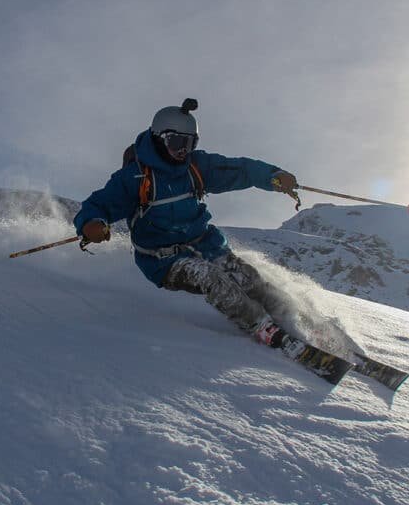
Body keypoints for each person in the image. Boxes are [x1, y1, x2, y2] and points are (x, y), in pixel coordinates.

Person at [73, 99, 304, 352]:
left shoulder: (195, 166)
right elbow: (100, 204)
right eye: (176, 143)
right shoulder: (135, 178)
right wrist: (91, 223)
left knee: (246, 276)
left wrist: (273, 176)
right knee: (210, 278)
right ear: (159, 138)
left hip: (206, 244)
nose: (182, 151)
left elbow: (239, 169)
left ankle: (293, 318)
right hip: (164, 260)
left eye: (189, 143)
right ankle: (264, 329)